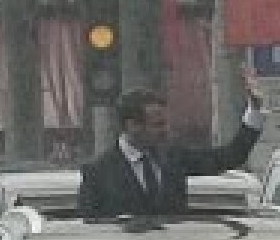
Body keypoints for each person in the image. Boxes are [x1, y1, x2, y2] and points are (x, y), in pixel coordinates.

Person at [77, 71, 266, 218]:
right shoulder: (98, 173)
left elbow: (231, 156)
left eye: (165, 123)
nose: (165, 130)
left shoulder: (174, 158)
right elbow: (89, 231)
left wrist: (255, 111)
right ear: (132, 125)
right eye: (157, 125)